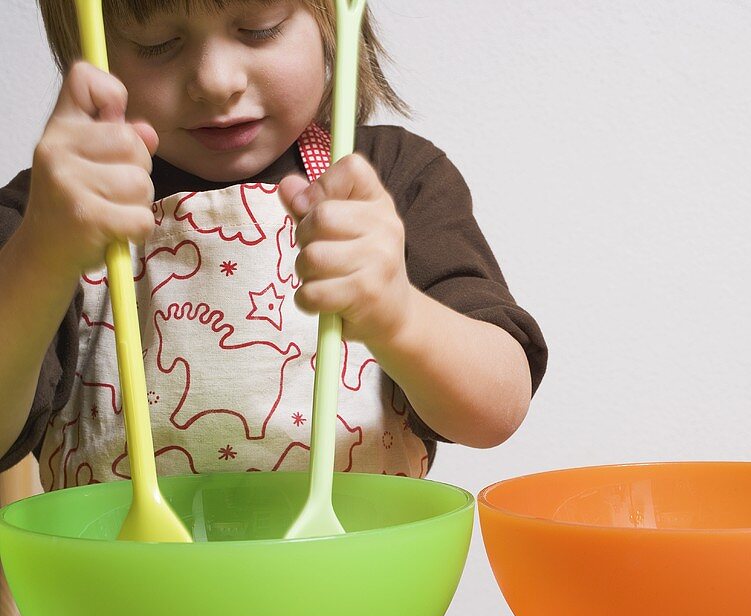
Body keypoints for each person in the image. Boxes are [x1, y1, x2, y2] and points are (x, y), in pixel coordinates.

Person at [0, 0, 547, 491]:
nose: (215, 81)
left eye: (259, 28)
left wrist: (398, 314)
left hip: (348, 590)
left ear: (334, 17)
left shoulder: (394, 179)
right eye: (157, 44)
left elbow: (495, 411)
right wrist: (43, 254)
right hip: (117, 596)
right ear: (88, 47)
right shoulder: (52, 210)